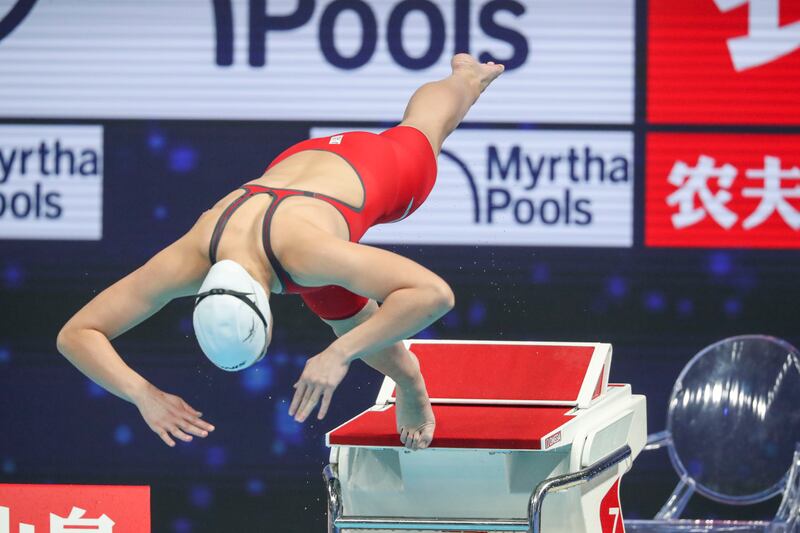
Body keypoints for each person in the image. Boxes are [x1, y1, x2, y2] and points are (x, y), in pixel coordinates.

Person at [56, 53, 504, 451]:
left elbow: (434, 295)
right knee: (334, 304)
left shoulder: (307, 255)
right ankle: (409, 381)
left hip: (373, 170)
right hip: (297, 162)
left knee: (423, 129)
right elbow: (76, 334)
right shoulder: (189, 258)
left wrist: (338, 355)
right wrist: (143, 395)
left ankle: (467, 77)